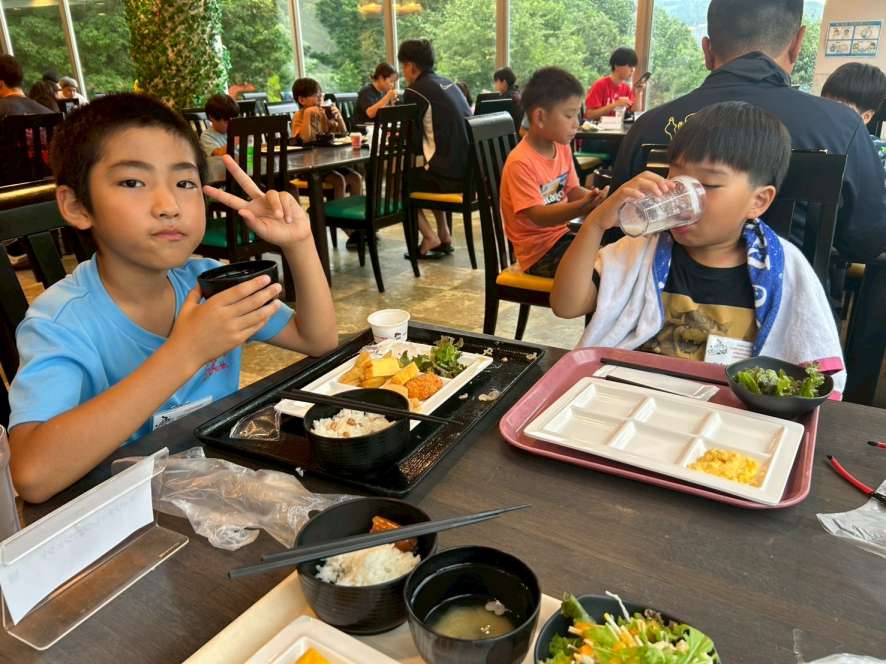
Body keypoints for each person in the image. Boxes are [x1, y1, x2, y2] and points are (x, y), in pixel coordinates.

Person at [7, 93, 338, 503]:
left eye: (184, 183)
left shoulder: (208, 283)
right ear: (76, 205)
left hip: (216, 488)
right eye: (132, 182)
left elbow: (317, 339)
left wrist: (299, 243)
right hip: (123, 513)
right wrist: (187, 351)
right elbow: (33, 476)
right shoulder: (60, 322)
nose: (168, 206)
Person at [552, 102, 845, 391]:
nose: (682, 196)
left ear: (758, 201)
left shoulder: (782, 270)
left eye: (709, 184)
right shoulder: (641, 251)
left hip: (729, 411)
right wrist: (595, 225)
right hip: (635, 397)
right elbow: (566, 306)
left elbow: (813, 374)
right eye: (676, 177)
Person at [611, 0, 886, 265]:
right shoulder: (842, 127)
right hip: (792, 295)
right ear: (797, 44)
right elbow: (866, 242)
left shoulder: (648, 126)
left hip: (657, 293)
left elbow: (618, 230)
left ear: (707, 50)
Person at [499, 67, 607, 277]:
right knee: (602, 271)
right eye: (569, 115)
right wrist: (583, 206)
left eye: (577, 115)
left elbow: (573, 190)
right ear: (540, 117)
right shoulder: (520, 162)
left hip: (561, 237)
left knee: (617, 253)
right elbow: (539, 217)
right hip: (538, 255)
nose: (577, 123)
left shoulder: (561, 147)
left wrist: (599, 199)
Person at [398, 39, 472, 257]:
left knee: (400, 186)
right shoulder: (449, 84)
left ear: (411, 66)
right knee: (429, 168)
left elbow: (412, 139)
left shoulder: (415, 92)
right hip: (468, 172)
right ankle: (444, 233)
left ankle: (429, 237)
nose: (403, 72)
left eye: (403, 66)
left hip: (447, 177)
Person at [290, 77, 362, 201]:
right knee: (339, 180)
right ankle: (336, 213)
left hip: (327, 162)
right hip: (307, 167)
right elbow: (304, 139)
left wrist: (339, 118)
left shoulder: (322, 113)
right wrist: (308, 113)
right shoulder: (299, 115)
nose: (320, 98)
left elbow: (343, 134)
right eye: (316, 95)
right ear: (302, 100)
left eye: (321, 95)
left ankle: (354, 212)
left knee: (356, 178)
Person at [821, 62, 886, 179]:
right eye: (824, 105)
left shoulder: (878, 153)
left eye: (839, 109)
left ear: (866, 117)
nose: (828, 114)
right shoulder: (815, 139)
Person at [584, 47, 644, 120]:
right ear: (617, 66)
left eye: (634, 67)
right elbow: (589, 115)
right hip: (601, 127)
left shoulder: (626, 88)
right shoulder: (600, 85)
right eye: (629, 66)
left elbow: (635, 111)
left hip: (619, 126)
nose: (632, 70)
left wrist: (638, 93)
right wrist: (614, 105)